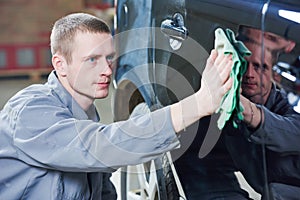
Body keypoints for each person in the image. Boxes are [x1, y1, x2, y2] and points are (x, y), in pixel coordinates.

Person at [0, 13, 233, 199]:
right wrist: (199, 104)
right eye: (92, 59)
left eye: (109, 58)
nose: (107, 70)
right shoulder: (30, 110)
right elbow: (102, 145)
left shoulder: (87, 118)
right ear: (60, 65)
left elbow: (102, 190)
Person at [173, 26, 300, 200]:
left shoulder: (289, 105)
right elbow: (202, 164)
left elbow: (293, 132)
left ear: (275, 75)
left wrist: (249, 111)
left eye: (259, 67)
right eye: (244, 64)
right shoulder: (226, 110)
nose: (249, 74)